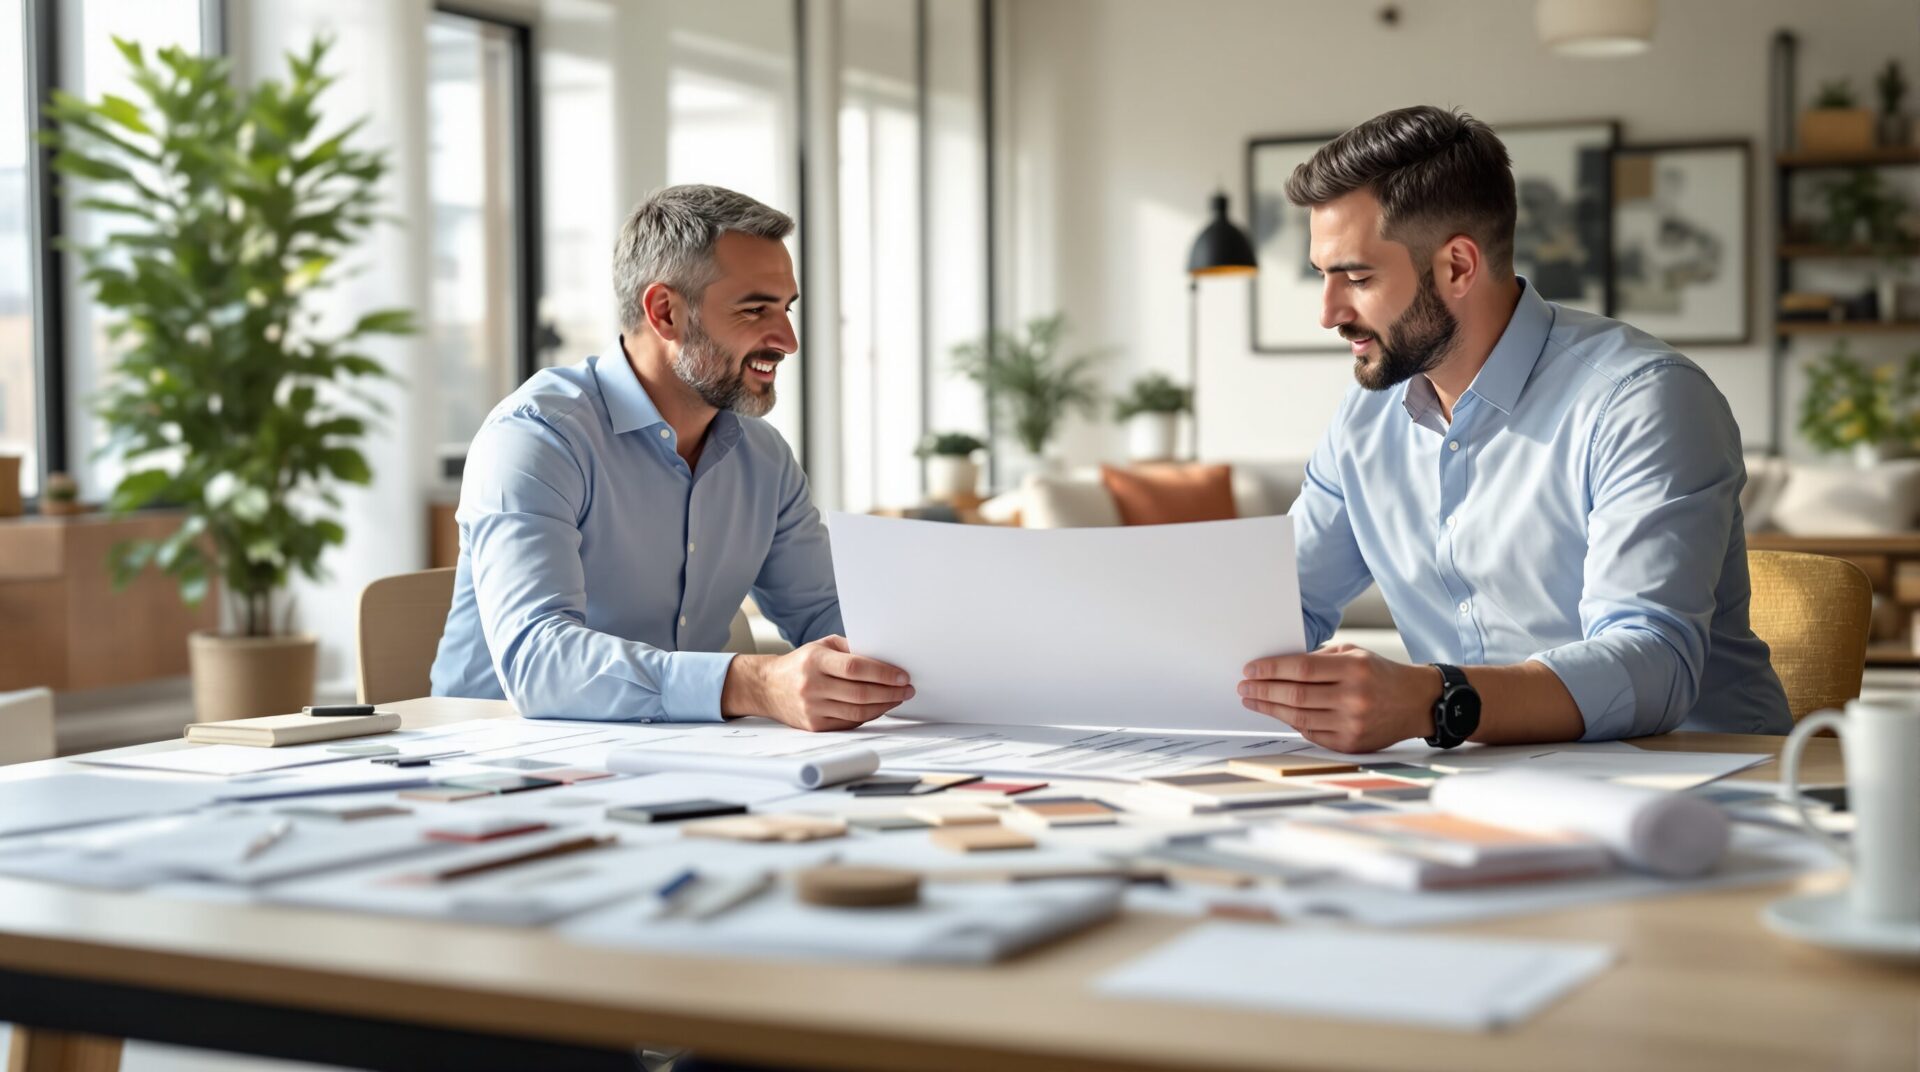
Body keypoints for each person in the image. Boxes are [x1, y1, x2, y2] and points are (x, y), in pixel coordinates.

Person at [1237, 105, 1789, 754]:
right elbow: (1280, 609)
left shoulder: (1643, 401)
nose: (1329, 313)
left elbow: (1652, 666)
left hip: (1703, 789)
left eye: (1356, 277)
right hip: (1480, 791)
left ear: (1458, 267)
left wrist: (1430, 699)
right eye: (1322, 277)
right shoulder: (1366, 419)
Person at [431, 184, 913, 730]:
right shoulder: (537, 438)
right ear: (665, 312)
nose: (787, 340)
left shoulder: (763, 459)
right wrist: (755, 684)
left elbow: (830, 615)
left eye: (786, 308)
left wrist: (949, 660)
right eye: (756, 310)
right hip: (496, 763)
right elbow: (540, 663)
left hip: (675, 756)